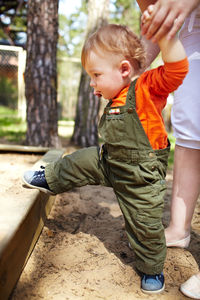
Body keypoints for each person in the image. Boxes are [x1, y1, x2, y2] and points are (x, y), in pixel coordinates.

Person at [22, 22, 188, 294]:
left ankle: (152, 269)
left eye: (96, 75)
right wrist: (103, 86)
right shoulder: (115, 94)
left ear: (124, 69)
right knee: (80, 160)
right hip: (110, 163)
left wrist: (167, 38)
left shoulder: (146, 88)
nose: (92, 83)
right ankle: (50, 178)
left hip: (141, 179)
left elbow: (177, 70)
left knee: (144, 226)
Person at [137, 0, 200, 298]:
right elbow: (155, 23)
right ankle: (178, 229)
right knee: (190, 125)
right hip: (191, 29)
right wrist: (130, 69)